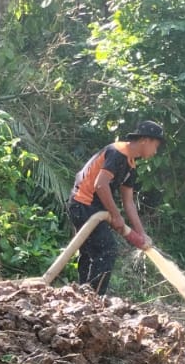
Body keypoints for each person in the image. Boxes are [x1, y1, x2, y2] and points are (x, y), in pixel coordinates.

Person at [66, 121, 165, 295]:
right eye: (155, 146)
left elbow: (129, 202)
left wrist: (141, 233)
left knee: (91, 253)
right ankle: (94, 297)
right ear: (145, 140)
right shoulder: (117, 152)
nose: (155, 151)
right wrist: (115, 215)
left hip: (93, 208)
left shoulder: (130, 165)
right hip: (83, 203)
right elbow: (100, 185)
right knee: (107, 249)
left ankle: (83, 295)